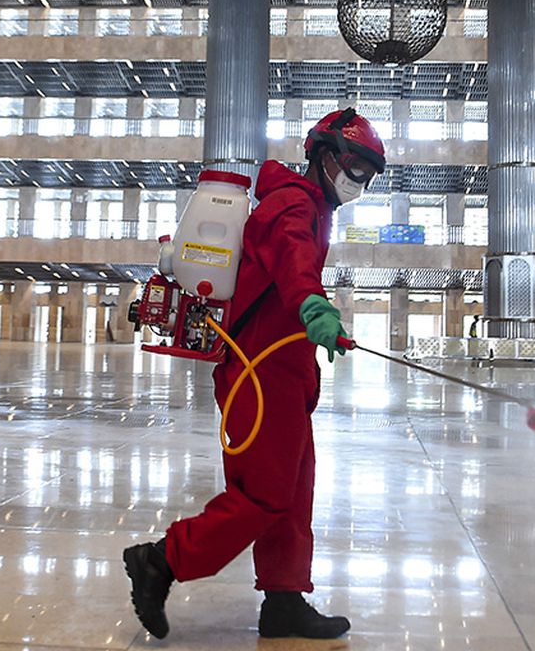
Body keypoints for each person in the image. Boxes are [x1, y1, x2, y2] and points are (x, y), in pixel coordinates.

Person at [122, 108, 386, 641]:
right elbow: (294, 266)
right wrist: (314, 305)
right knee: (263, 494)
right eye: (354, 165)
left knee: (292, 489)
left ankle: (285, 600)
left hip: (283, 374)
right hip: (258, 374)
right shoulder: (292, 205)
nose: (359, 179)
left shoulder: (312, 208)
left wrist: (311, 314)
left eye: (368, 171)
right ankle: (160, 560)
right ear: (324, 156)